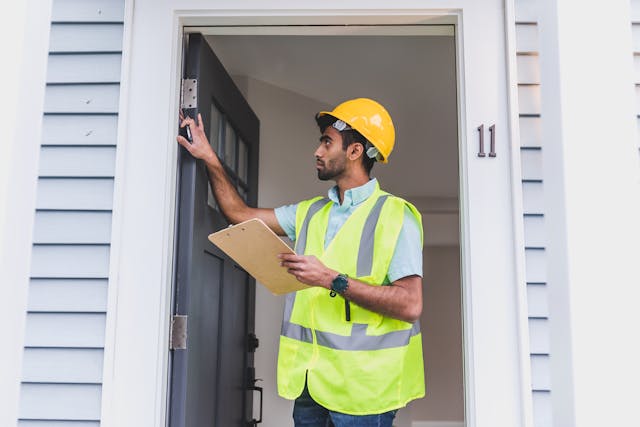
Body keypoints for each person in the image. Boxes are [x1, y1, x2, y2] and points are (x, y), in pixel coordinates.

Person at [177, 98, 425, 427]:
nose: (317, 151)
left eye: (327, 142)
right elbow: (239, 215)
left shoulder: (396, 216)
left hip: (365, 391)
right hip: (311, 384)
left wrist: (331, 279)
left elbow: (410, 304)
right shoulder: (309, 212)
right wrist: (209, 157)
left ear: (355, 151)